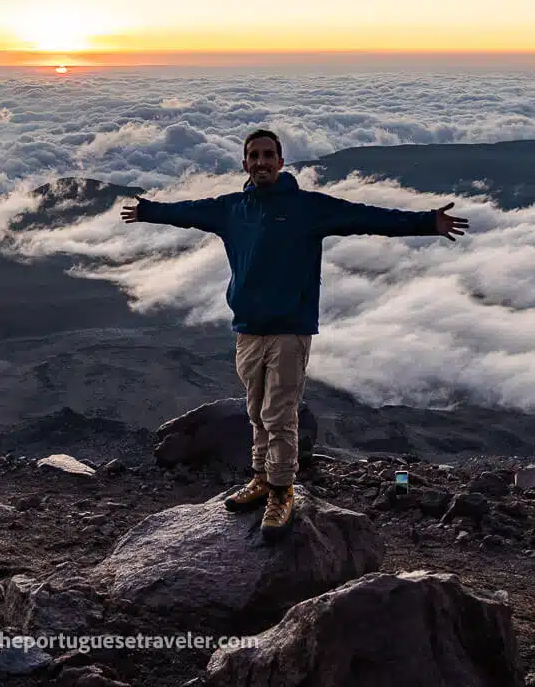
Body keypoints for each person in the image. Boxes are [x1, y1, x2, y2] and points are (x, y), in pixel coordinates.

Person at [121, 129, 468, 542]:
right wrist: (148, 211)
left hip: (290, 329)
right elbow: (188, 211)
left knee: (280, 414)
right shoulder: (231, 209)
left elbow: (368, 217)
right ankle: (262, 479)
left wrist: (427, 221)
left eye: (269, 155)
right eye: (254, 156)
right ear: (245, 163)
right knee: (255, 411)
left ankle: (282, 492)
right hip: (248, 329)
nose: (262, 162)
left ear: (282, 162)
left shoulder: (308, 208)